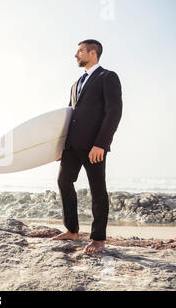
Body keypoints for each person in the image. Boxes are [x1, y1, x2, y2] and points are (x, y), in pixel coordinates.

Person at [50, 39, 123, 255]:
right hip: (71, 145)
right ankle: (72, 230)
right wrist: (59, 146)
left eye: (80, 51)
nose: (76, 55)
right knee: (63, 181)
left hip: (94, 146)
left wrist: (101, 144)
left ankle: (98, 238)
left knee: (97, 189)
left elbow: (114, 111)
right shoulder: (75, 84)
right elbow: (69, 116)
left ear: (93, 53)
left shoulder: (107, 77)